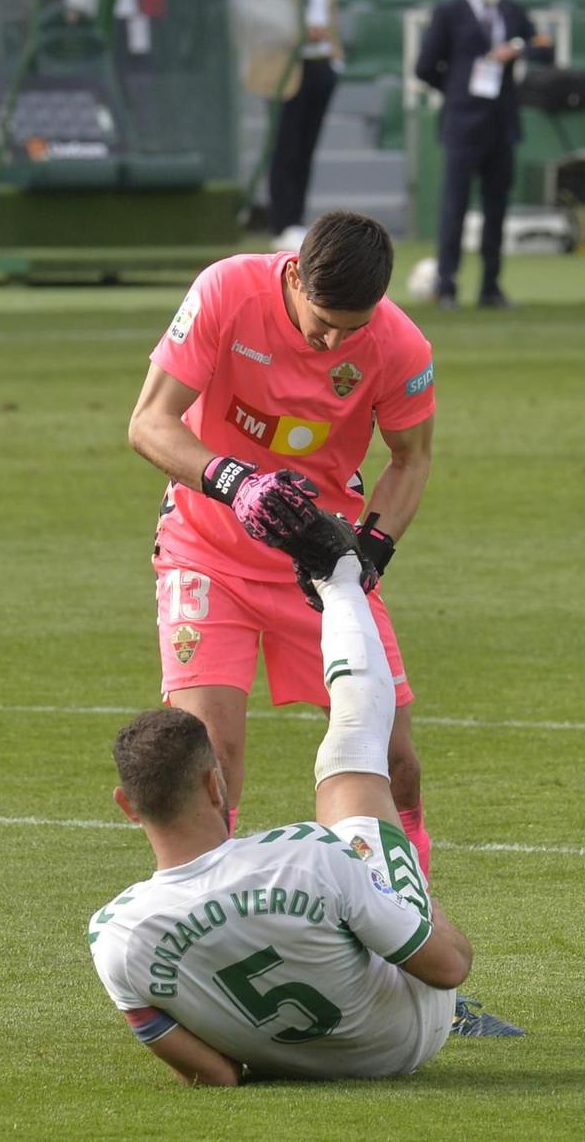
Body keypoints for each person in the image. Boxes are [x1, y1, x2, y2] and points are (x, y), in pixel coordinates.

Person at [90, 511, 517, 1086]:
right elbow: (449, 968)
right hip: (410, 1035)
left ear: (126, 804)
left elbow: (216, 1076)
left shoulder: (113, 936)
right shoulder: (310, 858)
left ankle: (338, 580)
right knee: (352, 754)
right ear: (216, 784)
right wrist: (393, 890)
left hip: (287, 1063)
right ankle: (339, 580)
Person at [126, 211, 442, 880]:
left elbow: (411, 459)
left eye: (351, 328)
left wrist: (370, 549)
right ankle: (208, 944)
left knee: (395, 760)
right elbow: (149, 423)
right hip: (205, 551)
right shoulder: (226, 291)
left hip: (320, 565)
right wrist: (233, 481)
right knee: (212, 758)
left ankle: (404, 940)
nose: (333, 341)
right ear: (294, 273)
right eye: (323, 321)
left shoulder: (400, 346)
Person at [413, 0, 553, 310]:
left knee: (497, 206)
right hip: (462, 122)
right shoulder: (449, 13)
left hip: (501, 122)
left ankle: (491, 285)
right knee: (454, 206)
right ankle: (447, 284)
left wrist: (518, 47)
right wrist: (458, 87)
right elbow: (425, 66)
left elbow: (544, 47)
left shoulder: (511, 10)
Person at [249, 0, 345, 249]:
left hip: (320, 62)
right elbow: (261, 17)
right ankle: (281, 222)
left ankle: (297, 220)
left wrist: (335, 58)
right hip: (285, 65)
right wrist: (299, 32)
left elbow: (330, 14)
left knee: (306, 146)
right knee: (285, 146)